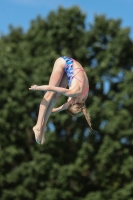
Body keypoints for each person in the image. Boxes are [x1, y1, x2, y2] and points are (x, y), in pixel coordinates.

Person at [29, 56, 92, 144]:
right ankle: (38, 125)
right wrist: (36, 88)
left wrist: (56, 110)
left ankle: (43, 128)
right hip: (64, 62)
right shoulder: (73, 92)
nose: (67, 101)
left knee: (57, 97)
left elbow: (67, 105)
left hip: (71, 69)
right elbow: (51, 87)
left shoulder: (82, 99)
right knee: (50, 94)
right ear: (72, 102)